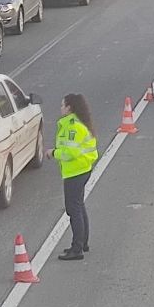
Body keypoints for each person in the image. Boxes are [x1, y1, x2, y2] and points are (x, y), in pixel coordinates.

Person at [45, 94, 98, 261]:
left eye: (62, 105)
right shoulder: (77, 123)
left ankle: (77, 249)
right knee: (79, 206)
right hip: (82, 169)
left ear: (69, 108)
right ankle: (83, 243)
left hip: (75, 171)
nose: (60, 108)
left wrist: (53, 153)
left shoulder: (73, 127)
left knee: (73, 209)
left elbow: (70, 152)